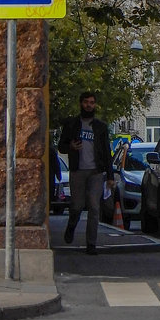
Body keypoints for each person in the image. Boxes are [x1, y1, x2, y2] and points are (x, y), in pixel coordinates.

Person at [58, 92, 115, 255]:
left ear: (95, 105)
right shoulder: (72, 124)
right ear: (81, 104)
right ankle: (71, 225)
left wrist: (110, 177)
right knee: (76, 206)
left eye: (92, 103)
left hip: (96, 172)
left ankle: (91, 244)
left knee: (94, 207)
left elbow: (106, 151)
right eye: (86, 102)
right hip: (78, 171)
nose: (89, 105)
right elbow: (61, 146)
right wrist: (70, 147)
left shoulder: (101, 127)